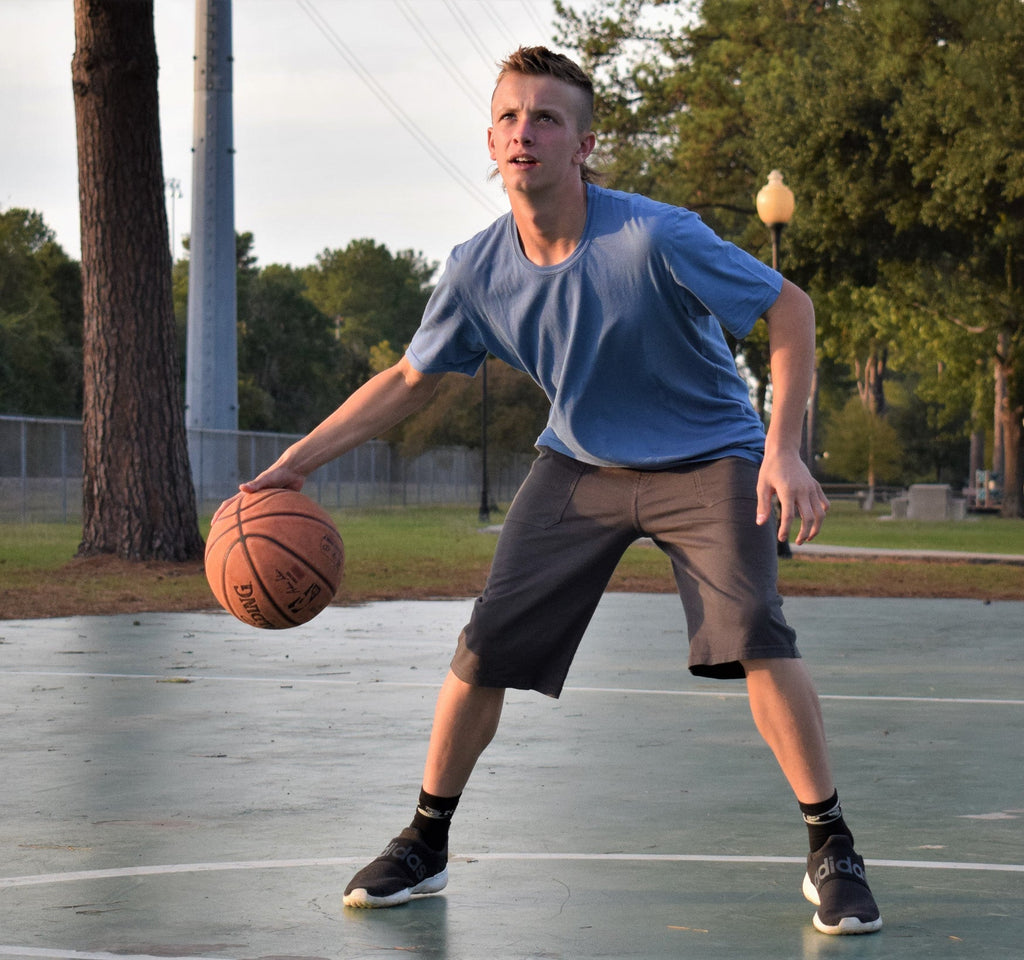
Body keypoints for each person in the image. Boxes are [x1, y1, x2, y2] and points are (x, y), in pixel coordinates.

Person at [240, 46, 882, 936]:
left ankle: (831, 846)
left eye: (546, 117)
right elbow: (408, 377)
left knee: (758, 636)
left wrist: (783, 449)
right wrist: (299, 461)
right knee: (485, 645)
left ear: (583, 143)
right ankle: (426, 841)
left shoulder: (652, 235)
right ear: (491, 140)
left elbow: (791, 307)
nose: (524, 131)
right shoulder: (476, 268)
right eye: (509, 116)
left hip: (708, 457)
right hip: (580, 464)